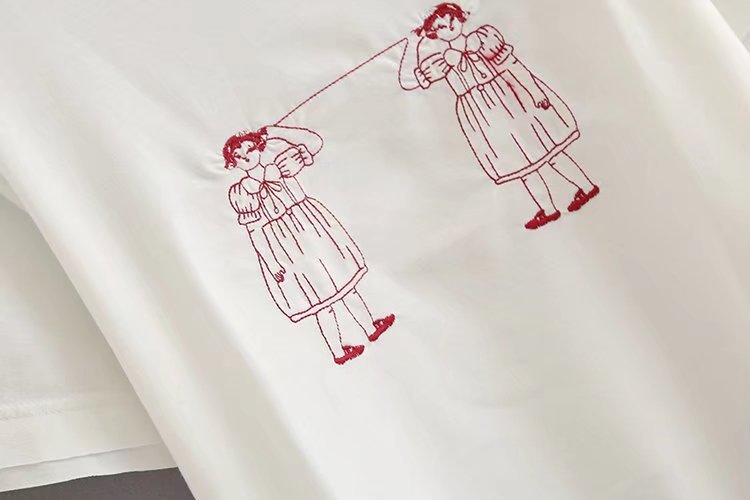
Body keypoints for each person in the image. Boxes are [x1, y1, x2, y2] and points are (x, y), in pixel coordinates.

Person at [399, 2, 600, 230]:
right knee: (521, 164)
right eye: (441, 27)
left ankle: (585, 186)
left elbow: (513, 66)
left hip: (511, 101)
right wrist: (412, 43)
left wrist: (535, 92)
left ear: (461, 18)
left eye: (451, 21)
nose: (449, 28)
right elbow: (408, 81)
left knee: (547, 150)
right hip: (483, 116)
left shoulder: (483, 40)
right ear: (434, 33)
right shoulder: (441, 61)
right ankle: (548, 209)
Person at [223, 125, 395, 365]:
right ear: (233, 164)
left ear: (260, 148)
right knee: (321, 301)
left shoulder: (282, 165)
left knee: (343, 283)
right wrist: (272, 263)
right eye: (238, 157)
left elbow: (313, 142)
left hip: (312, 229)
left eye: (250, 150)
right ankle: (338, 350)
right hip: (285, 246)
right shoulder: (242, 193)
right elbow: (255, 231)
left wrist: (272, 131)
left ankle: (369, 327)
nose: (246, 158)